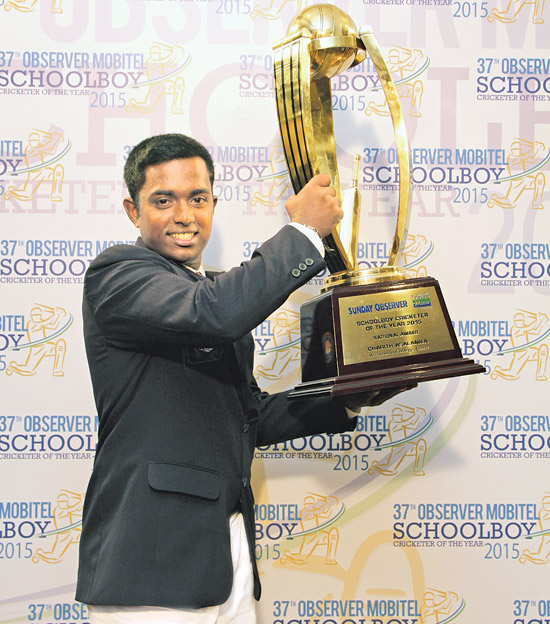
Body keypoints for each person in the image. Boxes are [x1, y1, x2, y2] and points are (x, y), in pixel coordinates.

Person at [76, 133, 410, 623]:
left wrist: (349, 397)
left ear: (214, 202)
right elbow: (216, 314)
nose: (184, 215)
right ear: (133, 211)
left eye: (198, 198)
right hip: (152, 562)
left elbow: (247, 416)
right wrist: (302, 233)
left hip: (227, 550)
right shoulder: (117, 275)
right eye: (162, 201)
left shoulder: (211, 288)